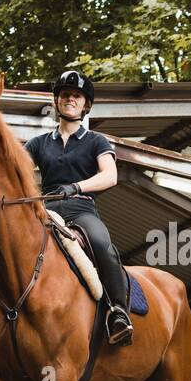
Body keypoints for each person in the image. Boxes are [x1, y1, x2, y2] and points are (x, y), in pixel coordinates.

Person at [24, 70, 134, 345]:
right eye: (64, 95)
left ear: (85, 105)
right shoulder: (38, 143)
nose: (70, 99)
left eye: (76, 96)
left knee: (102, 245)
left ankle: (118, 312)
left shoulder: (96, 141)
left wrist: (75, 187)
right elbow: (18, 172)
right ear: (57, 102)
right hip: (47, 211)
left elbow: (110, 176)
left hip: (80, 208)